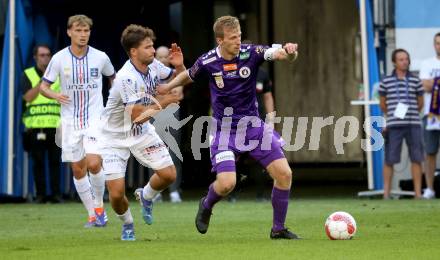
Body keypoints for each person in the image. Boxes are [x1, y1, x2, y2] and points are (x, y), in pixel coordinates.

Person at [158, 15, 300, 239]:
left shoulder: (251, 53)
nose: (238, 41)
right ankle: (207, 204)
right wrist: (168, 86)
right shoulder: (208, 61)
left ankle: (278, 229)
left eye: (240, 36)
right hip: (224, 131)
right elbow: (189, 75)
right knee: (227, 184)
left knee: (284, 174)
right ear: (220, 41)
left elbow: (281, 54)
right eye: (233, 38)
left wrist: (290, 52)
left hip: (253, 127)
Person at [100, 24, 184, 241]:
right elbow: (137, 113)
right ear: (134, 51)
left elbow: (179, 79)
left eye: (152, 45)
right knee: (116, 195)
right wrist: (164, 101)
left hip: (140, 131)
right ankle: (128, 224)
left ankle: (145, 196)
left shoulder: (154, 65)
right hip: (114, 137)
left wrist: (180, 67)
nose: (153, 50)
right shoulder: (126, 77)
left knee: (168, 175)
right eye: (148, 47)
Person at [39, 15, 115, 227]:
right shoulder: (59, 58)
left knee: (93, 163)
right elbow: (44, 86)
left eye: (86, 31)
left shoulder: (100, 57)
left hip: (95, 119)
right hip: (70, 121)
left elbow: (113, 78)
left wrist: (115, 98)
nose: (83, 35)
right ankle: (93, 215)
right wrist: (55, 95)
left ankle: (99, 207)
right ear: (69, 32)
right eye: (78, 31)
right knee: (78, 169)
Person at [379, 49, 424, 199]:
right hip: (394, 124)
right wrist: (392, 115)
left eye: (406, 59)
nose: (404, 62)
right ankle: (386, 193)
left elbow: (420, 102)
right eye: (401, 59)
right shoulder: (386, 81)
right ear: (394, 62)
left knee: (416, 158)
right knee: (389, 159)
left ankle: (418, 194)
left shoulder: (416, 80)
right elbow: (383, 104)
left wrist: (411, 112)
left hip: (413, 124)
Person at [21, 44, 62, 203]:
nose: (46, 58)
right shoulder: (28, 74)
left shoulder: (58, 76)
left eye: (48, 55)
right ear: (35, 57)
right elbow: (28, 97)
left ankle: (56, 195)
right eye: (42, 55)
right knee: (37, 162)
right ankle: (41, 195)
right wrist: (43, 83)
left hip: (55, 126)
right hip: (35, 127)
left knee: (55, 162)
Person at [149, 46, 184, 203]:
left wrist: (161, 96)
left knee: (173, 154)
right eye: (160, 57)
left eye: (166, 57)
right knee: (153, 154)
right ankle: (155, 191)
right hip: (154, 117)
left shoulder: (176, 76)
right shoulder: (150, 74)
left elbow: (178, 94)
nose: (163, 60)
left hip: (172, 117)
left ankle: (174, 191)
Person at [419, 32, 440, 199]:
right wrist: (433, 84)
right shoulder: (427, 63)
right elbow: (424, 85)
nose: (439, 46)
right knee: (430, 152)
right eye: (438, 43)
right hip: (431, 114)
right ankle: (430, 189)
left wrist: (434, 83)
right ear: (434, 45)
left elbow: (429, 83)